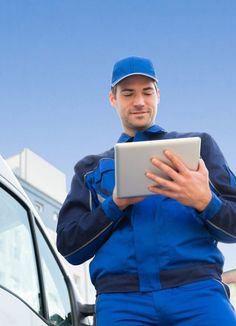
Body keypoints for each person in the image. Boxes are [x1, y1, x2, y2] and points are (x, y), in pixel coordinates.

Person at [56, 56, 236, 325]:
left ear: (158, 95)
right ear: (113, 99)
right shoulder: (91, 169)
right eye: (128, 93)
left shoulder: (199, 148)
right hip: (122, 301)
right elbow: (70, 247)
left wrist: (205, 201)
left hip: (198, 293)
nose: (139, 101)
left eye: (147, 92)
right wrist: (113, 205)